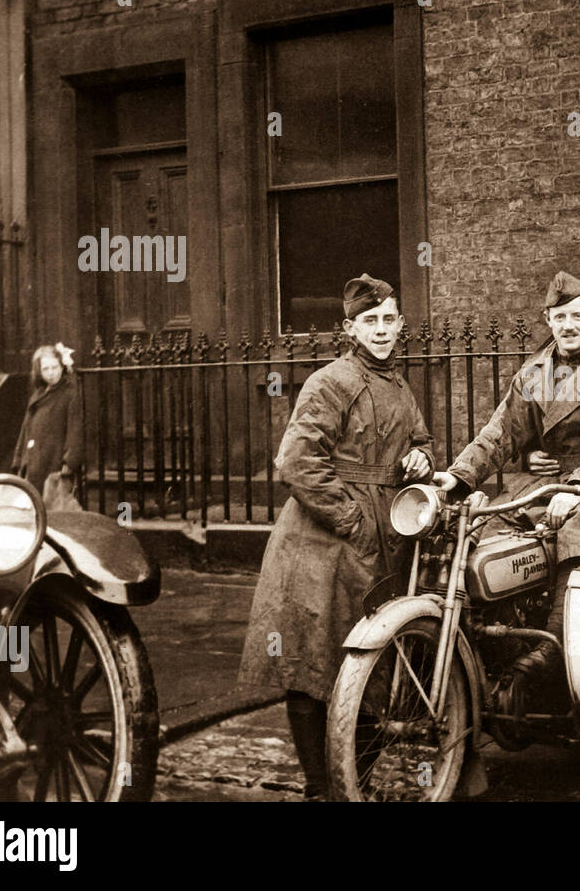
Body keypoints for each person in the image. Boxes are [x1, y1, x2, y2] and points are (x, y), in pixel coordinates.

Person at [238, 275, 434, 800]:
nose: (382, 330)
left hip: (379, 539)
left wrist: (423, 457)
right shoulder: (329, 381)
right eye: (370, 321)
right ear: (349, 328)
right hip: (320, 544)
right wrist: (352, 519)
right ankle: (319, 787)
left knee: (366, 671)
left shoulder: (398, 383)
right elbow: (297, 463)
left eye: (389, 319)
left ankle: (354, 782)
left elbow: (419, 438)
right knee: (311, 667)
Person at [433, 270, 580, 705]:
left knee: (576, 537)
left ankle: (549, 653)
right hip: (541, 483)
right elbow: (501, 433)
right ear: (548, 320)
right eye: (559, 317)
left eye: (576, 316)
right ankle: (495, 652)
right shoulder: (534, 372)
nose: (567, 326)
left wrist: (579, 486)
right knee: (484, 537)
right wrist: (458, 475)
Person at [11, 343, 83, 509]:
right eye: (46, 369)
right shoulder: (38, 394)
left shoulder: (69, 393)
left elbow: (75, 429)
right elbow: (25, 429)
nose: (51, 373)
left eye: (54, 367)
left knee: (51, 508)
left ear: (62, 366)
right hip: (33, 461)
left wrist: (69, 462)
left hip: (53, 461)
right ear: (39, 371)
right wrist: (19, 458)